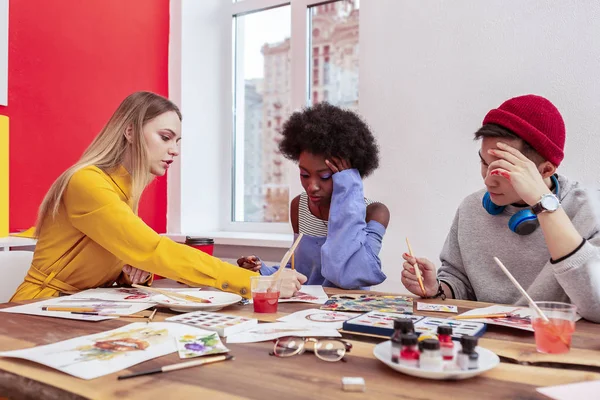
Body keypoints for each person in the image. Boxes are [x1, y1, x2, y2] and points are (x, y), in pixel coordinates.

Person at [11, 91, 305, 301]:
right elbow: (152, 249)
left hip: (79, 306)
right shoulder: (87, 182)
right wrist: (256, 281)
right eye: (165, 138)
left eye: (177, 141)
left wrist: (129, 271)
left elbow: (133, 254)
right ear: (129, 131)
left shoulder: (123, 191)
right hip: (36, 308)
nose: (175, 149)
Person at [401, 94, 600, 322]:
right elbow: (459, 281)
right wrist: (437, 288)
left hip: (558, 345)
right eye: (484, 163)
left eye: (502, 169)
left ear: (545, 170)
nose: (488, 180)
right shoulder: (471, 208)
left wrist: (543, 204)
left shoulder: (588, 210)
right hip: (484, 342)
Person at [238, 103, 390, 289]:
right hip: (305, 311)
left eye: (325, 176)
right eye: (304, 175)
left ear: (351, 175)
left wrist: (348, 191)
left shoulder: (374, 212)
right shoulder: (299, 206)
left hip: (347, 312)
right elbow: (297, 270)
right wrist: (263, 271)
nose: (312, 187)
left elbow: (349, 275)